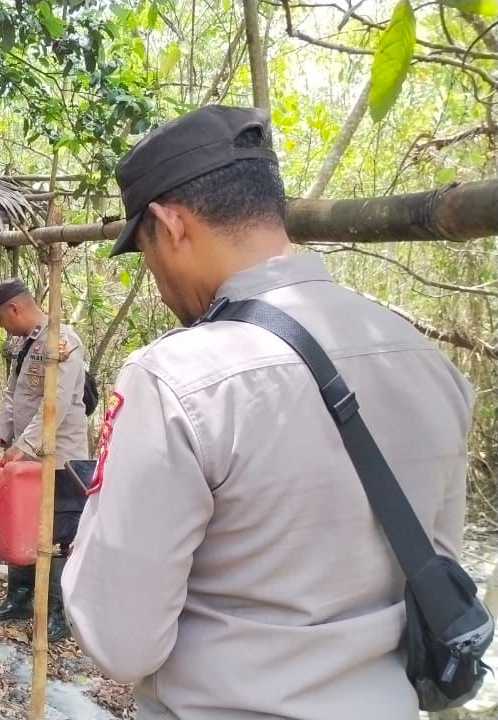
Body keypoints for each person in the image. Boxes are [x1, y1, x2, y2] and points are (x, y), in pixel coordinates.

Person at [61, 105, 475, 719]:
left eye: (146, 254)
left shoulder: (176, 378)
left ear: (170, 225)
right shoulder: (423, 358)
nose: (158, 281)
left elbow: (120, 640)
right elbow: (438, 569)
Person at [0, 278, 90, 643]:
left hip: (59, 458)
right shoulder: (26, 344)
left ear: (14, 309)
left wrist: (23, 446)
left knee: (59, 534)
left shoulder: (62, 342)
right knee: (20, 524)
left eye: (1, 318)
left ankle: (57, 610)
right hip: (27, 461)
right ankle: (20, 597)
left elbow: (53, 403)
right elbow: (13, 397)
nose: (3, 325)